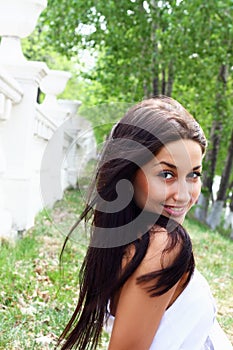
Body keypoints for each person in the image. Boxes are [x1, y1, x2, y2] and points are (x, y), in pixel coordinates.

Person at [57, 96, 233, 350]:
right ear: (127, 173)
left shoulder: (125, 241)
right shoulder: (163, 247)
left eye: (193, 174)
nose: (184, 195)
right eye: (167, 174)